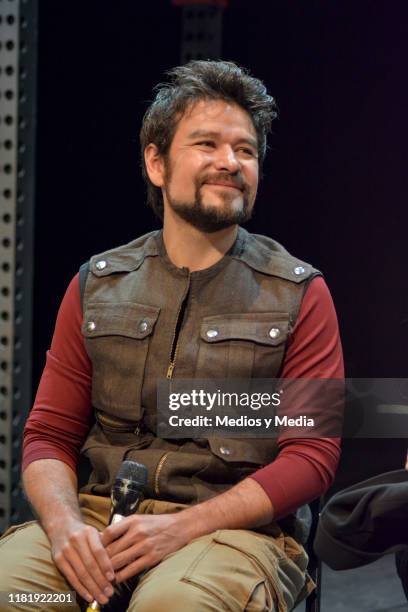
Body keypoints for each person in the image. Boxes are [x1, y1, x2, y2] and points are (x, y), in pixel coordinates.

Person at [0, 60, 344, 611]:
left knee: (172, 606)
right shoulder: (97, 285)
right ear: (156, 163)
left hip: (233, 536)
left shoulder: (299, 293)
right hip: (99, 521)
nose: (230, 163)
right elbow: (47, 435)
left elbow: (312, 455)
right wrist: (65, 530)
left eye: (247, 150)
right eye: (206, 144)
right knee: (11, 591)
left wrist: (181, 528)